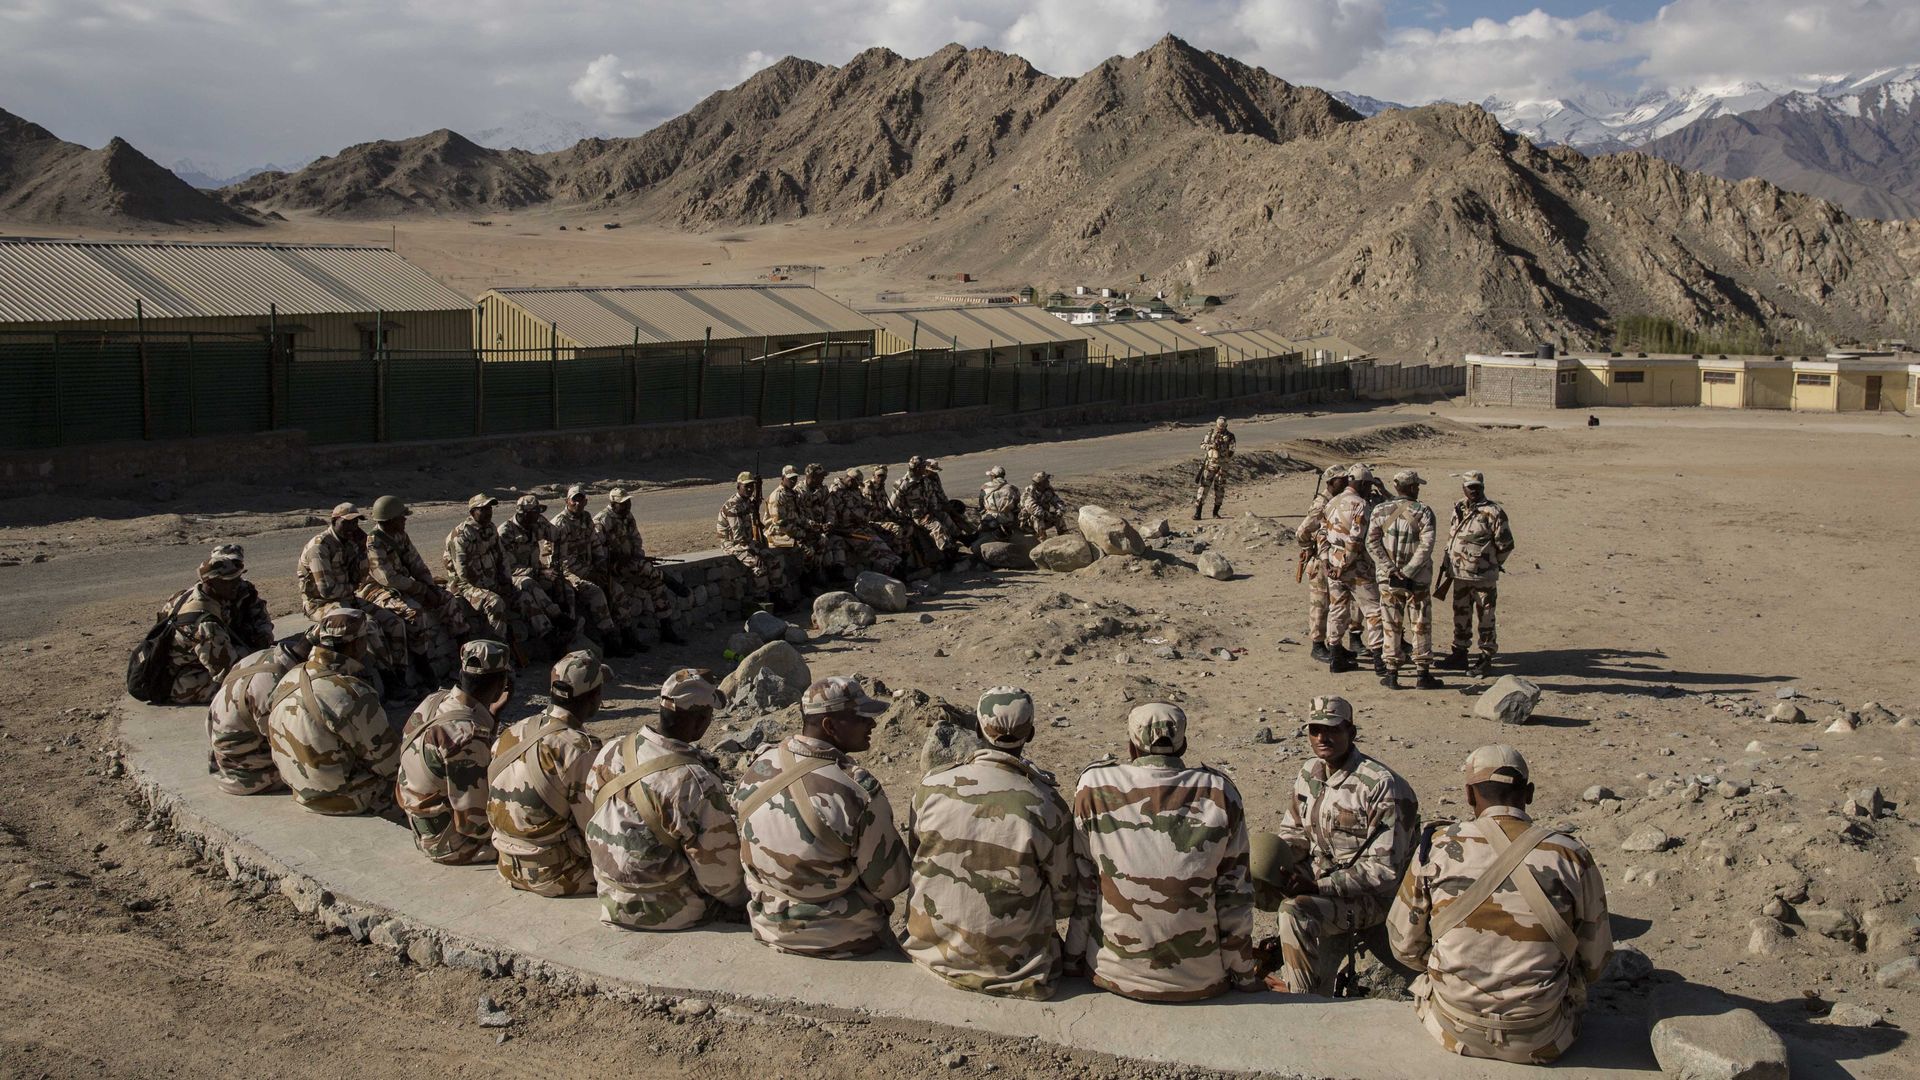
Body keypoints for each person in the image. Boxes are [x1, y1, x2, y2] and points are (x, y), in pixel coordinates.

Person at [1389, 746, 1611, 1064]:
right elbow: (1595, 963)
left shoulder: (1439, 846)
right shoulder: (1570, 855)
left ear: (1468, 795)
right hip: (1544, 1035)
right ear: (1529, 793)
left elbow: (1404, 946)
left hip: (1453, 1026)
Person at [1065, 702, 1258, 1001]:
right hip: (1198, 982)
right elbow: (1234, 896)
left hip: (1112, 974)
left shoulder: (1094, 785)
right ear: (1183, 746)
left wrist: (1072, 958)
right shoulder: (1220, 793)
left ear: (1131, 747)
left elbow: (1085, 886)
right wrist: (1244, 976)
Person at [905, 687, 1076, 999]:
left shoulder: (931, 787)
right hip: (1017, 973)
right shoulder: (1047, 805)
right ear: (1031, 733)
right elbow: (1065, 900)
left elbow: (915, 858)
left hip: (931, 956)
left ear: (976, 729)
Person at [734, 675, 909, 958]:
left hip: (767, 925)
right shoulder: (856, 790)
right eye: (861, 718)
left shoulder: (759, 767)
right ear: (830, 726)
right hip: (840, 938)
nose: (873, 724)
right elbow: (890, 883)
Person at [1254, 695, 1418, 996]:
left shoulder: (1381, 786)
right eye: (1315, 730)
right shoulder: (1309, 773)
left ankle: (1301, 1000)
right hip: (1319, 879)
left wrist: (1318, 888)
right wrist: (1278, 866)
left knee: (1295, 911)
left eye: (1332, 730)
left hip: (1373, 899)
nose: (1322, 737)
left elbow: (1384, 870)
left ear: (1351, 733)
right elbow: (1295, 832)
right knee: (1247, 867)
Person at [586, 668, 748, 931]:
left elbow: (591, 803)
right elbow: (721, 876)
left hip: (610, 897)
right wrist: (742, 899)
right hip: (667, 910)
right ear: (700, 721)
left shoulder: (614, 748)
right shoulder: (694, 780)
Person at [488, 650, 607, 896]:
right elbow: (595, 828)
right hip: (555, 874)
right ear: (594, 697)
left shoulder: (514, 732)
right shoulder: (581, 748)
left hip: (507, 865)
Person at [264, 607, 398, 816]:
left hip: (301, 791)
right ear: (356, 644)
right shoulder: (353, 693)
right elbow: (390, 764)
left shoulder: (292, 676)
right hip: (342, 798)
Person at [395, 640, 513, 866]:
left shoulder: (433, 702)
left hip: (424, 827)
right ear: (501, 684)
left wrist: (492, 716)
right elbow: (474, 825)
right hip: (452, 845)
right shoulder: (468, 736)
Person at [361, 494, 465, 686]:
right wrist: (420, 589)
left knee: (448, 599)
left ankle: (463, 655)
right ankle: (423, 667)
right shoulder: (373, 543)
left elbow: (417, 564)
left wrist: (430, 587)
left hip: (404, 585)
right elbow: (387, 578)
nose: (405, 520)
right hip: (377, 590)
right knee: (412, 613)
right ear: (390, 520)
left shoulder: (400, 536)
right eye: (402, 517)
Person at [297, 502, 409, 680]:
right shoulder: (319, 547)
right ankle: (387, 678)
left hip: (347, 599)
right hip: (320, 604)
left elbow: (362, 577)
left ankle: (400, 673)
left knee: (395, 623)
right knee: (369, 625)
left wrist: (362, 550)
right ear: (334, 521)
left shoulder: (351, 543)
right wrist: (352, 588)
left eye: (355, 523)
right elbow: (327, 590)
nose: (352, 527)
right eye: (347, 523)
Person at [156, 545, 275, 705]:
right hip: (182, 680)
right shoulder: (205, 622)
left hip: (198, 662)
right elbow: (229, 672)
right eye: (230, 581)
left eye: (237, 578)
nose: (238, 584)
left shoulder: (197, 595)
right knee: (256, 687)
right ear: (211, 583)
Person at [445, 494, 549, 662]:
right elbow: (465, 575)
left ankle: (548, 636)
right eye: (483, 509)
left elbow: (502, 559)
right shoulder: (460, 535)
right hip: (466, 586)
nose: (488, 512)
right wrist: (496, 588)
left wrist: (507, 582)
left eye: (490, 508)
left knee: (523, 596)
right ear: (472, 512)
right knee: (495, 602)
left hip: (492, 583)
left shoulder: (490, 529)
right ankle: (495, 655)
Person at [207, 633, 312, 795]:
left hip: (224, 759)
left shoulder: (260, 656)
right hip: (247, 775)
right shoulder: (279, 686)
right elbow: (292, 748)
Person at [1367, 469, 1442, 690]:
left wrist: (1390, 568)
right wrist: (1409, 571)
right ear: (1410, 487)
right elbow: (1426, 546)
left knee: (1391, 624)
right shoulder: (1423, 512)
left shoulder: (1380, 510)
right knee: (1420, 624)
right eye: (1416, 486)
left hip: (1388, 579)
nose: (1418, 489)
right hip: (1417, 580)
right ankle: (1422, 674)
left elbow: (1371, 542)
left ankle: (1392, 673)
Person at [1439, 471, 1516, 678]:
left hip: (1483, 578)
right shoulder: (1458, 508)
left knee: (1486, 617)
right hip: (1459, 575)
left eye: (1477, 486)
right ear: (1463, 487)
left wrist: (1491, 564)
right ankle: (1460, 653)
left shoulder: (1493, 512)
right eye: (1470, 486)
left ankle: (1485, 656)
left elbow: (1506, 545)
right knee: (1460, 614)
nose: (1474, 490)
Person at [596, 487, 684, 648]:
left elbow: (636, 539)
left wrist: (637, 556)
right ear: (613, 503)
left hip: (631, 565)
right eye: (623, 503)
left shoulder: (627, 517)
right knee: (620, 594)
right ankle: (628, 637)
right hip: (613, 567)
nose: (627, 506)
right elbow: (597, 550)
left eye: (628, 502)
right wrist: (617, 559)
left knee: (655, 585)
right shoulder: (602, 520)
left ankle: (666, 628)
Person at [1323, 464, 1385, 675]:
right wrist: (1343, 566)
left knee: (1337, 610)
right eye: (1368, 485)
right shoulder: (1360, 505)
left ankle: (1335, 657)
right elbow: (1356, 540)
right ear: (1362, 484)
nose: (1370, 490)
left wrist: (1327, 562)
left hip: (1332, 562)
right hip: (1356, 567)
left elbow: (1322, 535)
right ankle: (1379, 660)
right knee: (1374, 611)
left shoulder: (1331, 502)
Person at [550, 484, 625, 656]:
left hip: (587, 568)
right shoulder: (560, 523)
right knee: (595, 592)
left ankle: (625, 633)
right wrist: (589, 573)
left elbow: (595, 543)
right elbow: (560, 560)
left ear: (586, 501)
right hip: (566, 572)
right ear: (567, 501)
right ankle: (608, 640)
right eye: (574, 500)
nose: (577, 503)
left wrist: (601, 566)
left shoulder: (586, 518)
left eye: (581, 500)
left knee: (616, 589)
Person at [499, 494, 573, 653]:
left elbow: (558, 534)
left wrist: (556, 563)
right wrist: (540, 571)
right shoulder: (506, 532)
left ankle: (570, 624)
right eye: (534, 513)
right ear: (522, 513)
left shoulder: (537, 523)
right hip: (514, 576)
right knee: (529, 586)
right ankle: (556, 620)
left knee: (563, 583)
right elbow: (508, 568)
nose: (538, 516)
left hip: (535, 571)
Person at [717, 471, 792, 610]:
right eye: (747, 487)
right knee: (759, 568)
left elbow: (756, 505)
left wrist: (759, 487)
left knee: (774, 562)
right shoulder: (733, 507)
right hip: (733, 544)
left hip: (747, 542)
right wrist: (755, 553)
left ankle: (776, 596)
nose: (750, 489)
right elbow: (738, 537)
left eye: (752, 486)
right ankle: (760, 600)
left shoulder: (746, 502)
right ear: (738, 486)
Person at [1296, 465, 1348, 664]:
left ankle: (1335, 644)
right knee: (1320, 604)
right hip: (1320, 562)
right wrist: (1310, 548)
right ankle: (1317, 645)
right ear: (1330, 482)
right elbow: (1301, 532)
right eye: (1340, 480)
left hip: (1331, 560)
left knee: (1336, 604)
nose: (1344, 483)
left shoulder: (1336, 501)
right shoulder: (1321, 504)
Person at [827, 468, 901, 576]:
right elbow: (845, 515)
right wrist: (862, 513)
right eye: (856, 484)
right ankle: (891, 569)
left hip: (862, 526)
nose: (857, 487)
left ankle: (897, 563)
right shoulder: (835, 492)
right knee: (869, 547)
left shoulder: (854, 490)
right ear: (850, 480)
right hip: (847, 530)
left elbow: (866, 504)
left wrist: (863, 512)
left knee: (880, 543)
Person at [890, 456, 959, 565]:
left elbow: (932, 498)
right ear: (917, 468)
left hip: (928, 513)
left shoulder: (925, 481)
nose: (925, 469)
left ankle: (958, 540)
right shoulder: (902, 484)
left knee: (945, 517)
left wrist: (932, 511)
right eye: (923, 467)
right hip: (914, 517)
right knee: (937, 526)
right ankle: (947, 555)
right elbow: (892, 506)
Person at [798, 463, 851, 581]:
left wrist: (830, 523)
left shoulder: (823, 489)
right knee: (821, 543)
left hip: (824, 529)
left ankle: (837, 573)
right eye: (820, 476)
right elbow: (800, 516)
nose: (823, 479)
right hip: (809, 530)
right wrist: (816, 527)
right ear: (811, 476)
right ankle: (815, 576)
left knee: (838, 541)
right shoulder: (800, 492)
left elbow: (830, 508)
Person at [1194, 416, 1236, 519]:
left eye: (1222, 426)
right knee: (1203, 488)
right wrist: (1211, 446)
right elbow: (1202, 445)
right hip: (1210, 465)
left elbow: (1231, 451)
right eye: (1219, 426)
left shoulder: (1230, 436)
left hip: (1222, 466)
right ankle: (1198, 513)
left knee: (1219, 489)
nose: (1220, 428)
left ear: (1226, 425)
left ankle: (1215, 513)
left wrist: (1222, 449)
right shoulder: (1210, 434)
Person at [976, 466, 1021, 542]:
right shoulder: (1013, 488)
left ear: (993, 476)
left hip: (990, 518)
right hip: (1007, 518)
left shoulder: (985, 487)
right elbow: (1018, 505)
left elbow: (981, 505)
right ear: (1003, 475)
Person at [1019, 471, 1068, 539]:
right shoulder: (1029, 492)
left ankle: (1065, 537)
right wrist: (1048, 515)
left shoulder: (1047, 490)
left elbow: (1057, 501)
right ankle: (1042, 539)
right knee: (1037, 518)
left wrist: (1060, 510)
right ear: (1039, 483)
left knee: (1058, 517)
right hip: (1029, 522)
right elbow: (1035, 510)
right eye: (1046, 481)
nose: (1048, 482)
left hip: (1045, 516)